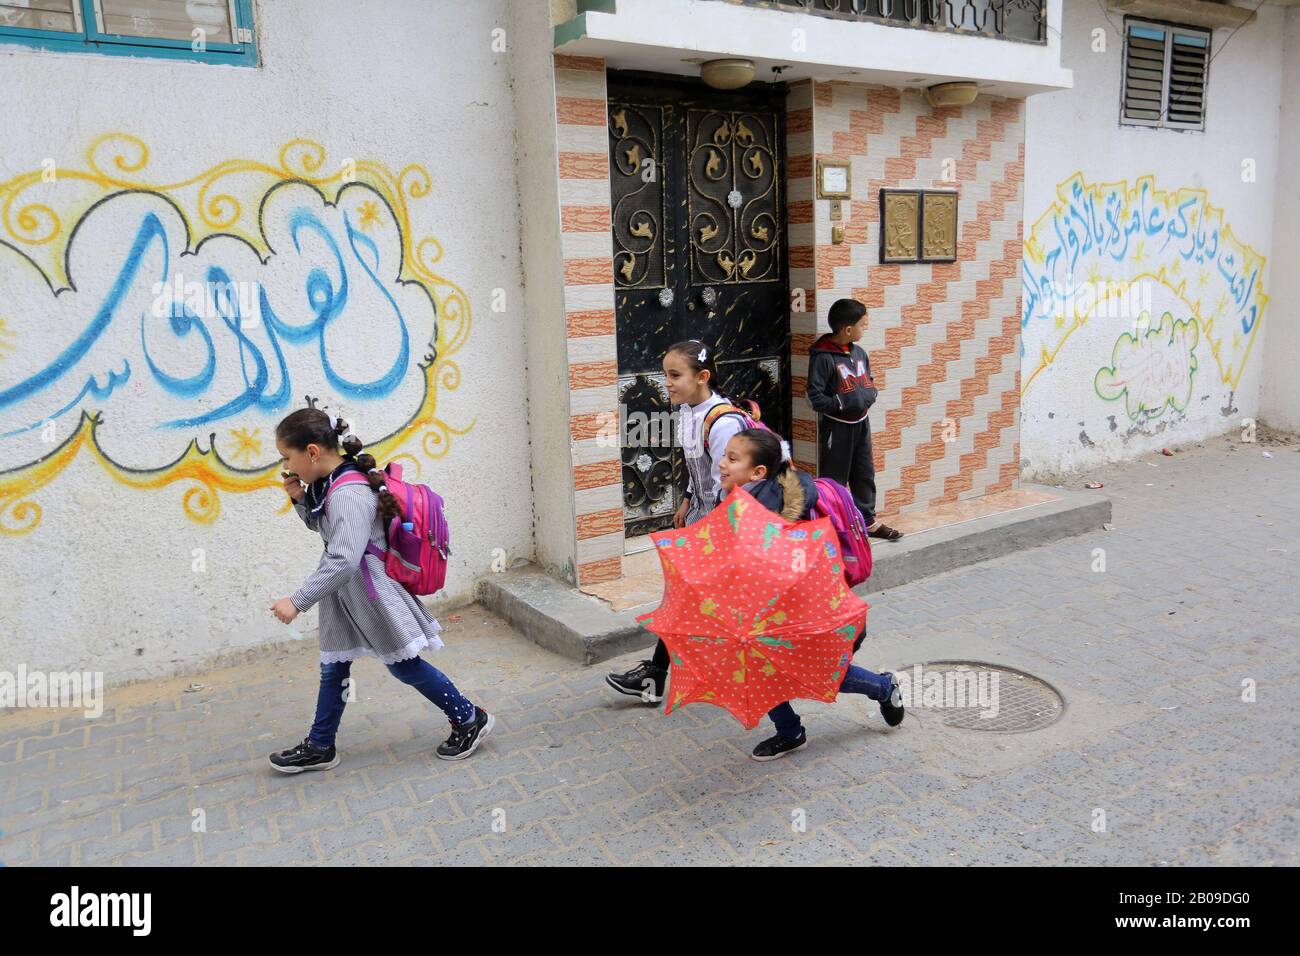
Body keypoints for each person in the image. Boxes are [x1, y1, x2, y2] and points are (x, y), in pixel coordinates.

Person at [267, 408, 491, 772]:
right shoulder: (328, 484)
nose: (286, 466)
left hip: (371, 594)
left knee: (405, 666)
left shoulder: (348, 493)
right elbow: (324, 527)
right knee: (333, 666)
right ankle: (321, 745)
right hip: (345, 594)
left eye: (287, 457)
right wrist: (298, 498)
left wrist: (298, 601)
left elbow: (342, 558)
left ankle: (469, 718)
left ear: (311, 452)